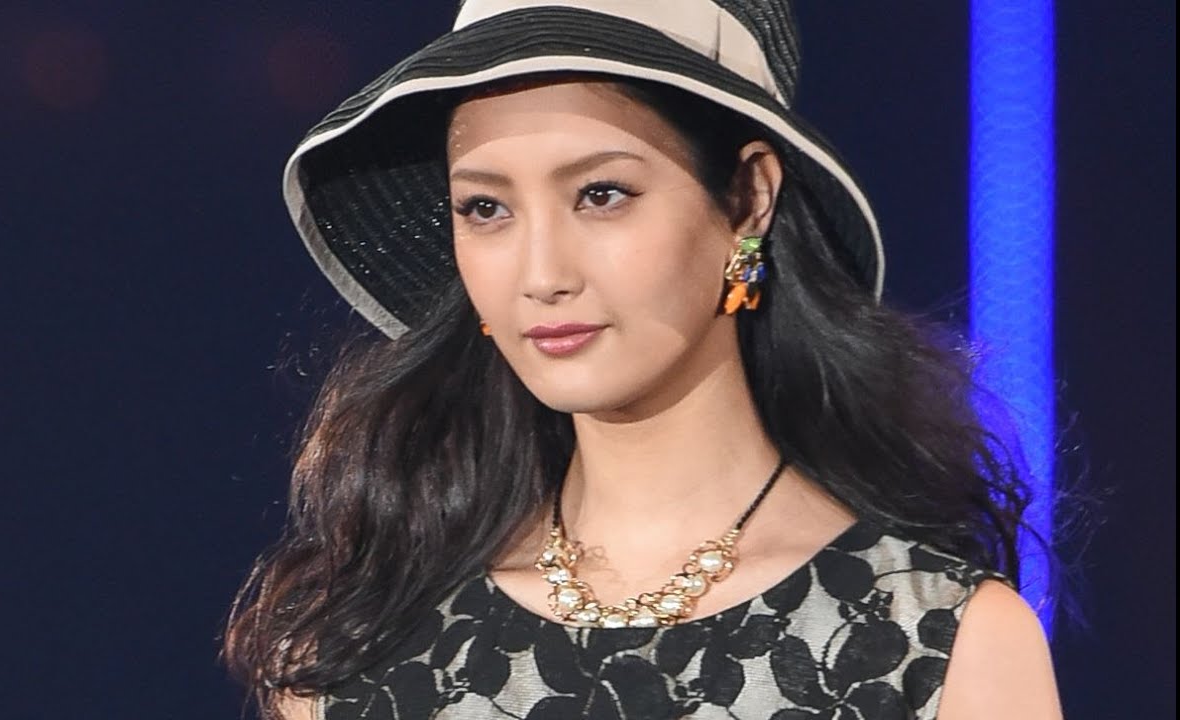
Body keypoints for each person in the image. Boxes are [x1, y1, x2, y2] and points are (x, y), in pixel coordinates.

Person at [225, 1, 1062, 718]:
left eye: (601, 195)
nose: (542, 274)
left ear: (749, 200)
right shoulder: (357, 651)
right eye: (485, 208)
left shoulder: (937, 643)